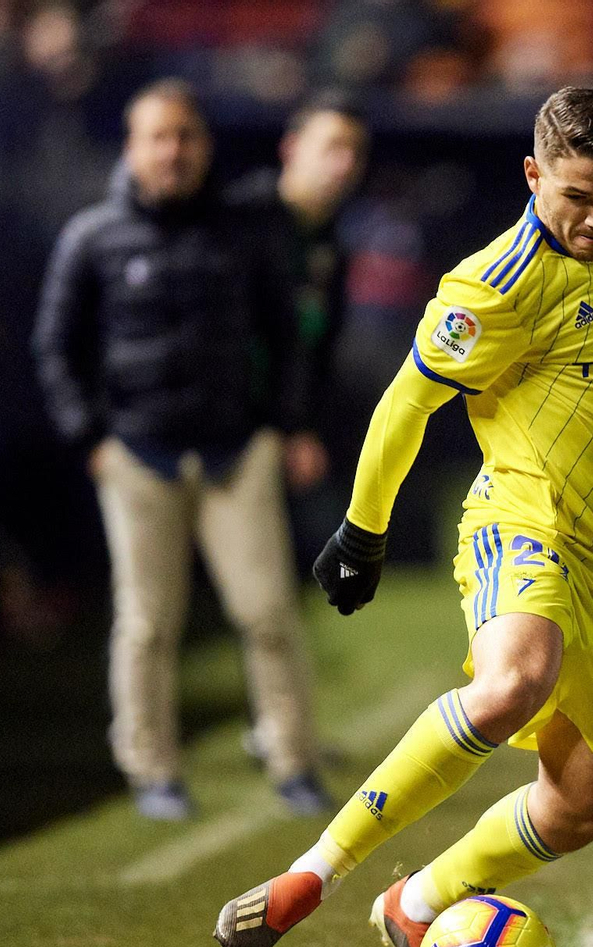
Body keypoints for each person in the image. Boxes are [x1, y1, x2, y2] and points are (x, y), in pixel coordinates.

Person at [212, 89, 593, 947]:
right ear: (533, 175)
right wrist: (361, 533)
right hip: (528, 520)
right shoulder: (491, 288)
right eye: (576, 196)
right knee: (512, 682)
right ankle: (312, 876)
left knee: (581, 807)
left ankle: (416, 904)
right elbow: (405, 406)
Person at [32, 80, 330, 821]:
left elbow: (286, 337)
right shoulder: (92, 238)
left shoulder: (243, 234)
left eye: (186, 137)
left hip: (235, 451)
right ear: (132, 148)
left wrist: (283, 426)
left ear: (204, 146)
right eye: (158, 137)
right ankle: (151, 768)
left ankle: (294, 760)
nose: (173, 151)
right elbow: (54, 347)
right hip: (137, 455)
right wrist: (91, 438)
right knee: (147, 622)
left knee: (267, 614)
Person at [227, 90, 371, 760]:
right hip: (225, 429)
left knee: (279, 583)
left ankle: (282, 728)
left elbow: (314, 348)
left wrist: (299, 426)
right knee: (250, 591)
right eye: (330, 147)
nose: (343, 164)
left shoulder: (328, 245)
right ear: (292, 149)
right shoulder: (246, 222)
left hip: (272, 432)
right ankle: (280, 731)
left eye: (353, 152)